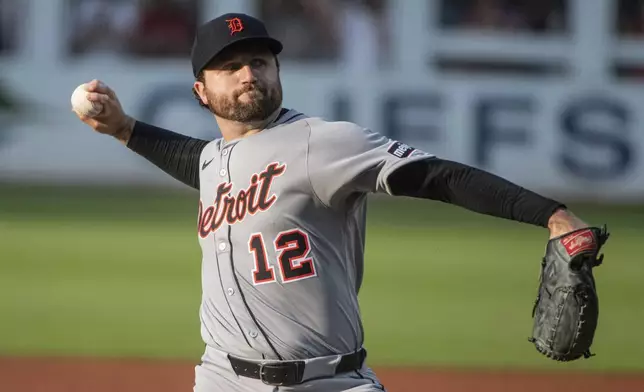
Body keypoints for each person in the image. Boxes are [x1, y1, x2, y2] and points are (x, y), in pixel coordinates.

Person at [73, 12, 591, 392]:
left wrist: (551, 213)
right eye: (229, 67)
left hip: (331, 382)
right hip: (221, 380)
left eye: (258, 60)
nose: (248, 73)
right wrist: (123, 129)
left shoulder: (324, 142)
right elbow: (195, 162)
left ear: (278, 71)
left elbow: (440, 176)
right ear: (200, 91)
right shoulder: (216, 161)